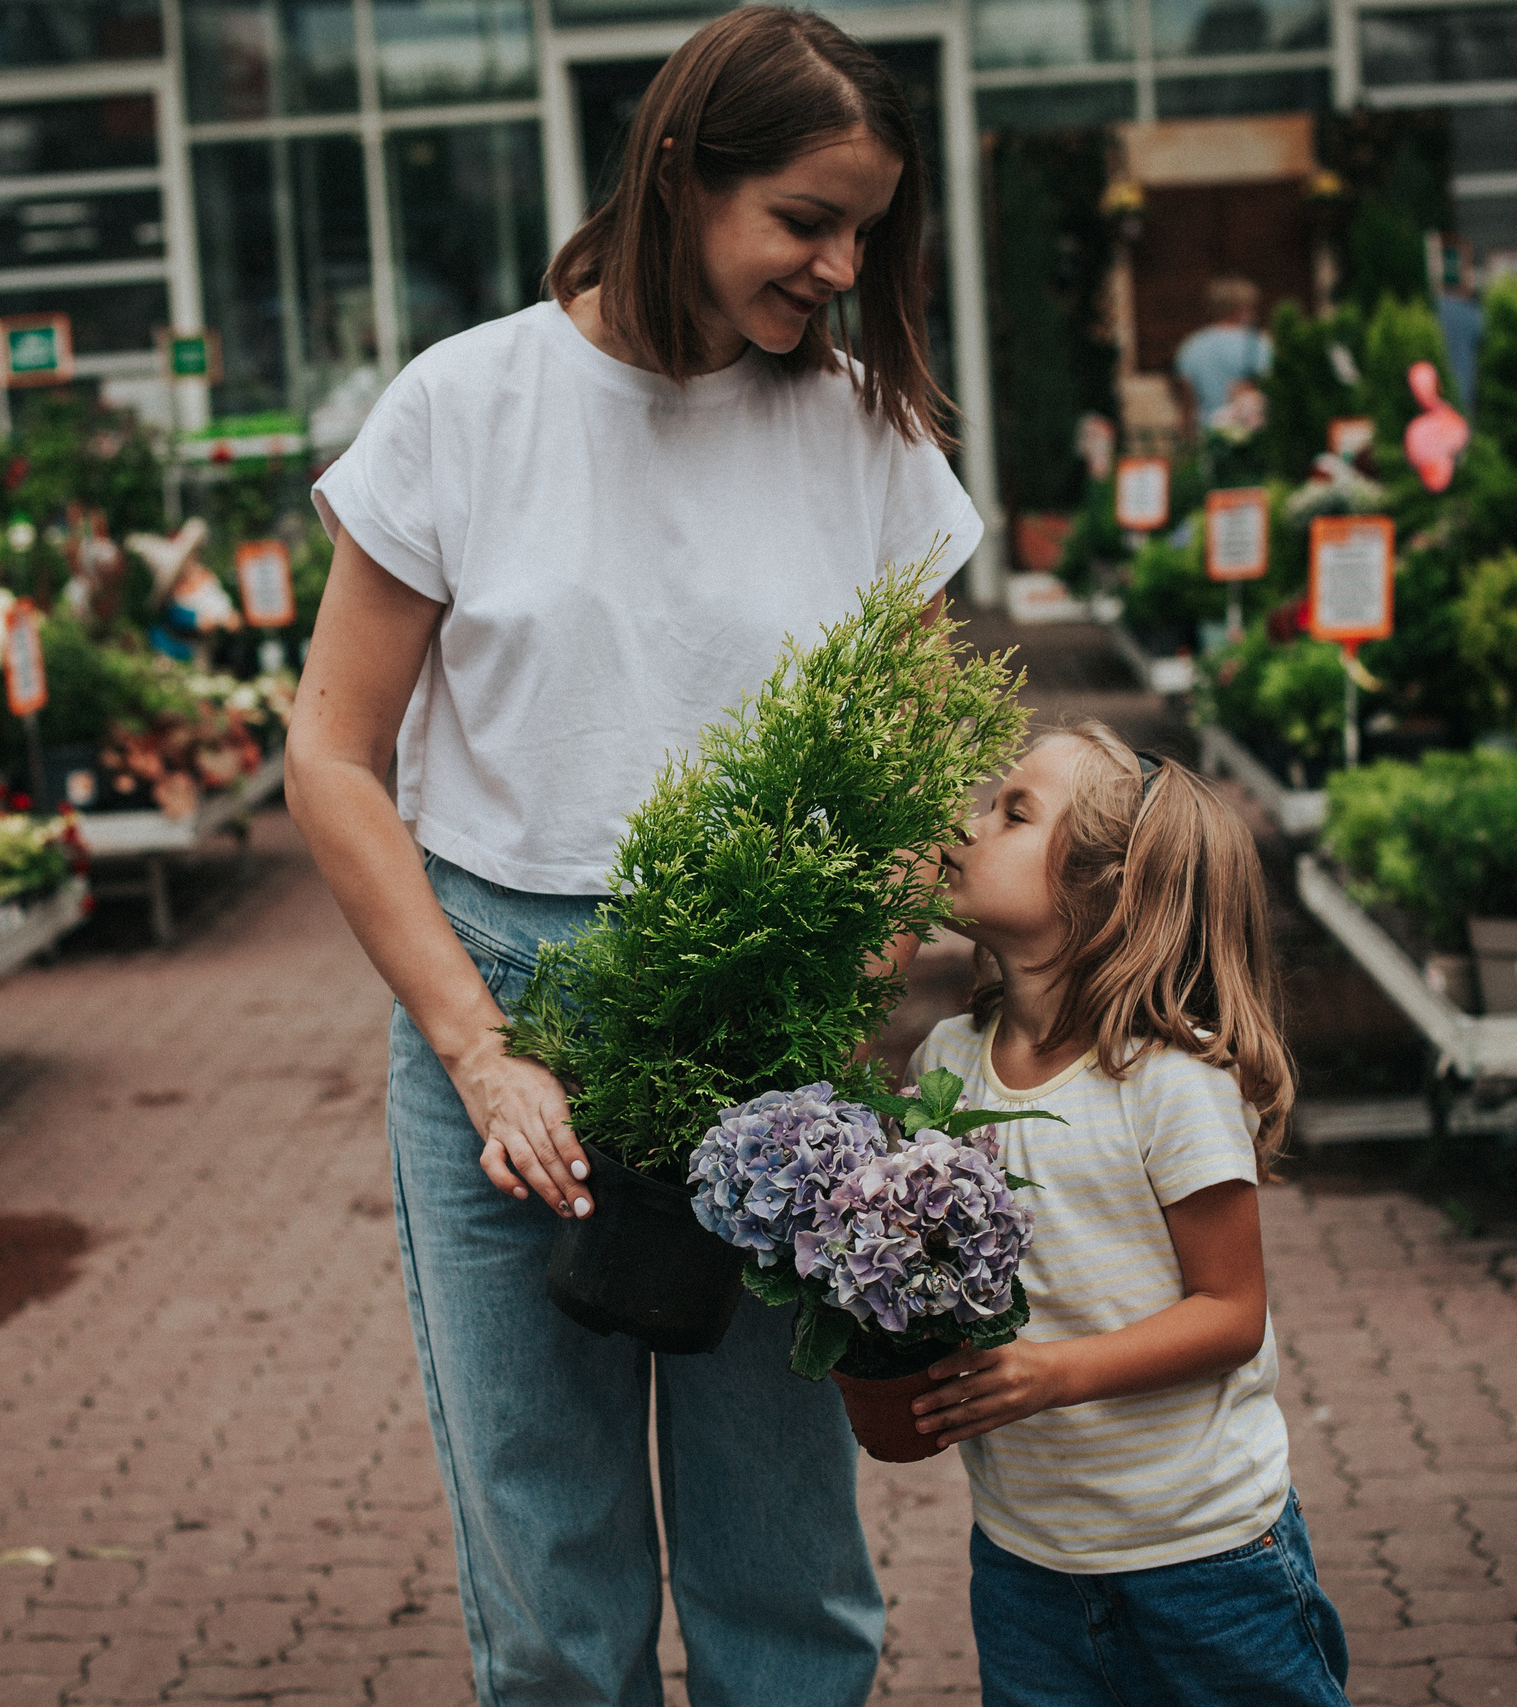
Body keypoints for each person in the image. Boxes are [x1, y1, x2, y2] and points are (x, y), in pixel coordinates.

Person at [282, 9, 982, 1705]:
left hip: (768, 1019)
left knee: (785, 1560)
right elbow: (330, 753)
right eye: (806, 219)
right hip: (503, 998)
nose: (838, 263)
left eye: (865, 230)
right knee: (548, 1568)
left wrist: (837, 989)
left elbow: (918, 774)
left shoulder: (862, 436)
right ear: (684, 174)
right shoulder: (468, 404)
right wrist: (477, 1048)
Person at [908, 722, 1350, 1707]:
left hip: (1204, 1559)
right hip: (1025, 1555)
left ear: (1103, 895)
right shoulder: (944, 1061)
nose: (967, 823)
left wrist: (1054, 1373)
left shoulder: (1168, 1081)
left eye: (1012, 811)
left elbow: (1230, 1315)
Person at [1173, 276, 1272, 436]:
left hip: (1210, 437)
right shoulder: (1260, 344)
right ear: (1241, 308)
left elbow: (1188, 406)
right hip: (1252, 437)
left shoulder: (1191, 346)